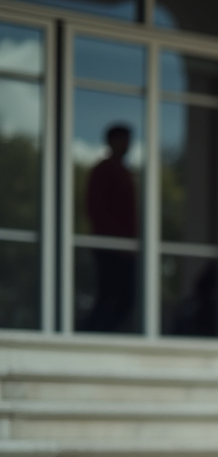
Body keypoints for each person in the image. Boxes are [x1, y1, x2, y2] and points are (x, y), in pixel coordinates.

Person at [81, 123, 138, 332]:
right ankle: (91, 334)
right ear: (111, 142)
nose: (127, 145)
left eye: (128, 140)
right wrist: (114, 240)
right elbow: (95, 208)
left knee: (125, 297)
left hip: (127, 248)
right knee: (109, 295)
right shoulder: (103, 170)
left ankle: (101, 333)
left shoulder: (125, 172)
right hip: (109, 246)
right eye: (123, 140)